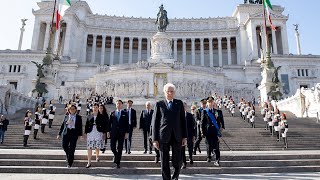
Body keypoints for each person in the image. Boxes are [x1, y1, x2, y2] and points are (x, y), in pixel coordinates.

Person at [152, 83, 187, 180]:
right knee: (164, 160)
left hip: (177, 135)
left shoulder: (179, 103)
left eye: (172, 91)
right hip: (163, 136)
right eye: (168, 91)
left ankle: (175, 176)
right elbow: (154, 122)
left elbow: (183, 121)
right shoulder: (159, 104)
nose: (170, 93)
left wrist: (185, 137)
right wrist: (154, 139)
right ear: (164, 92)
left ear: (174, 93)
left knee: (177, 160)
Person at [201, 97, 225, 166]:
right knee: (208, 145)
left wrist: (222, 128)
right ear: (207, 103)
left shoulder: (217, 111)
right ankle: (208, 157)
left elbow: (220, 121)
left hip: (215, 131)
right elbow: (202, 123)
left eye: (211, 102)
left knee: (216, 146)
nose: (210, 103)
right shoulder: (204, 111)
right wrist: (202, 132)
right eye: (209, 102)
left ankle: (217, 160)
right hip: (208, 131)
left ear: (213, 102)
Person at [84, 103, 107, 168]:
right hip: (90, 132)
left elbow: (104, 125)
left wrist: (104, 133)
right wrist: (85, 133)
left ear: (98, 108)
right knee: (89, 147)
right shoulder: (89, 116)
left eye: (96, 107)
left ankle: (97, 156)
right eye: (94, 107)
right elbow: (86, 125)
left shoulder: (101, 116)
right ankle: (89, 162)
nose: (95, 108)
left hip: (98, 132)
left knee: (97, 146)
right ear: (92, 108)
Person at [108, 99, 129, 169]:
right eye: (117, 103)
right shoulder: (112, 113)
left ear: (122, 105)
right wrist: (108, 132)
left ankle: (118, 163)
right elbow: (109, 123)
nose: (118, 105)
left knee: (120, 148)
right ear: (116, 105)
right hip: (113, 133)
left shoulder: (125, 113)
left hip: (121, 133)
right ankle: (116, 156)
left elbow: (127, 124)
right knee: (112, 147)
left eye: (120, 103)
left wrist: (126, 132)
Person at [181, 102, 196, 169]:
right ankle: (184, 163)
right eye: (182, 106)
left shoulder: (190, 115)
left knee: (190, 148)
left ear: (186, 107)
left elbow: (193, 126)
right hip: (181, 136)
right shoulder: (178, 115)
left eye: (184, 106)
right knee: (182, 150)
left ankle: (190, 157)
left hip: (189, 135)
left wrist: (193, 136)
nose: (183, 107)